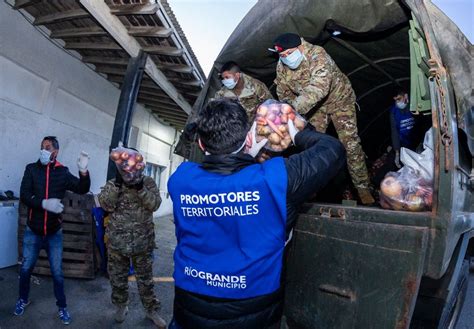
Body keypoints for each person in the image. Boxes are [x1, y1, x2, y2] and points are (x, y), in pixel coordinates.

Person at [167, 99, 346, 329]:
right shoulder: (274, 179)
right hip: (254, 307)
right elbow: (333, 150)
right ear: (248, 137)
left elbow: (214, 174)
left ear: (202, 144)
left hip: (190, 303)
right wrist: (297, 135)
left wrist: (242, 155)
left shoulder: (181, 180)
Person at [272, 32, 374, 205]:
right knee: (312, 147)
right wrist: (285, 109)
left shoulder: (317, 54)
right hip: (315, 108)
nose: (286, 58)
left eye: (289, 54)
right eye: (282, 56)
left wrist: (293, 109)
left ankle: (363, 189)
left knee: (350, 144)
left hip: (339, 101)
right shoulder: (282, 66)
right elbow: (283, 93)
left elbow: (319, 88)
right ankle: (310, 188)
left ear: (300, 47)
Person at [16, 136, 91, 325]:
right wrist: (43, 203)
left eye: (47, 147)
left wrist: (83, 171)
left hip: (53, 233)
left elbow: (82, 189)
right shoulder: (31, 169)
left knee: (57, 272)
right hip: (33, 230)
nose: (43, 150)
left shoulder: (62, 172)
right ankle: (22, 299)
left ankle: (62, 307)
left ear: (55, 152)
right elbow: (24, 194)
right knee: (25, 269)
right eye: (42, 147)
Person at [98, 148, 166, 329]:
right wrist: (118, 185)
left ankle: (151, 310)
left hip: (142, 243)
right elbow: (105, 204)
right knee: (117, 279)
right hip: (117, 243)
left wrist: (140, 188)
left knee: (145, 281)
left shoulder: (148, 182)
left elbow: (155, 204)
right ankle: (121, 307)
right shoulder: (113, 184)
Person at [390, 90, 415, 168]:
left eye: (399, 99)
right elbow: (394, 131)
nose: (397, 102)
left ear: (406, 96)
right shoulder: (393, 112)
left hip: (417, 138)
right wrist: (397, 152)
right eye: (395, 100)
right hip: (404, 143)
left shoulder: (414, 104)